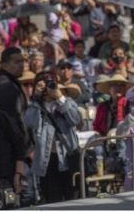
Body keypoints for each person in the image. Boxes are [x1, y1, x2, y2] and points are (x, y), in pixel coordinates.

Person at [24, 72, 81, 203]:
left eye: (50, 84)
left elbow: (75, 120)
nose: (46, 88)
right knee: (53, 202)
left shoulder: (67, 102)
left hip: (67, 158)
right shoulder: (35, 106)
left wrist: (59, 97)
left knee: (73, 200)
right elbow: (29, 121)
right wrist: (36, 98)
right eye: (41, 85)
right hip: (47, 161)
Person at [0, 47, 28, 138]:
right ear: (5, 65)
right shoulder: (5, 85)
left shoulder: (8, 81)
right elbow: (13, 119)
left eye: (22, 61)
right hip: (11, 144)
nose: (22, 65)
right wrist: (23, 144)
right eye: (17, 62)